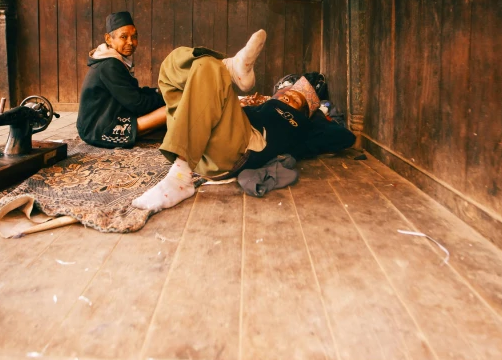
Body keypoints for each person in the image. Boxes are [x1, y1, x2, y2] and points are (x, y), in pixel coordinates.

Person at [131, 30, 355, 213]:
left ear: (305, 112)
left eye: (296, 100)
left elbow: (345, 138)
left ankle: (180, 177)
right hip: (204, 146)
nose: (288, 98)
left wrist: (320, 116)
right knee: (172, 64)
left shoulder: (306, 128)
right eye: (285, 95)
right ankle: (230, 67)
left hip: (238, 150)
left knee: (210, 68)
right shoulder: (264, 104)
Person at [77, 11, 166, 148]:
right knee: (173, 110)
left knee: (163, 114)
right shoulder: (110, 64)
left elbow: (132, 92)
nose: (131, 42)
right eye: (123, 37)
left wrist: (157, 92)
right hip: (98, 128)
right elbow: (137, 103)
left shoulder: (114, 60)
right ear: (108, 39)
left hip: (102, 122)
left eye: (134, 36)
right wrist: (165, 98)